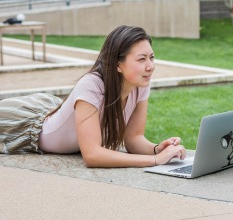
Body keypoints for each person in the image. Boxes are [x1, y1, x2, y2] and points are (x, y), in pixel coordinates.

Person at [0, 25, 186, 168]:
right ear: (117, 65)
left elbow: (133, 139)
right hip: (23, 126)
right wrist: (154, 160)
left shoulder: (140, 83)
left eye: (151, 57)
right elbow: (92, 155)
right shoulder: (92, 85)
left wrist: (157, 149)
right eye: (141, 59)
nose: (150, 66)